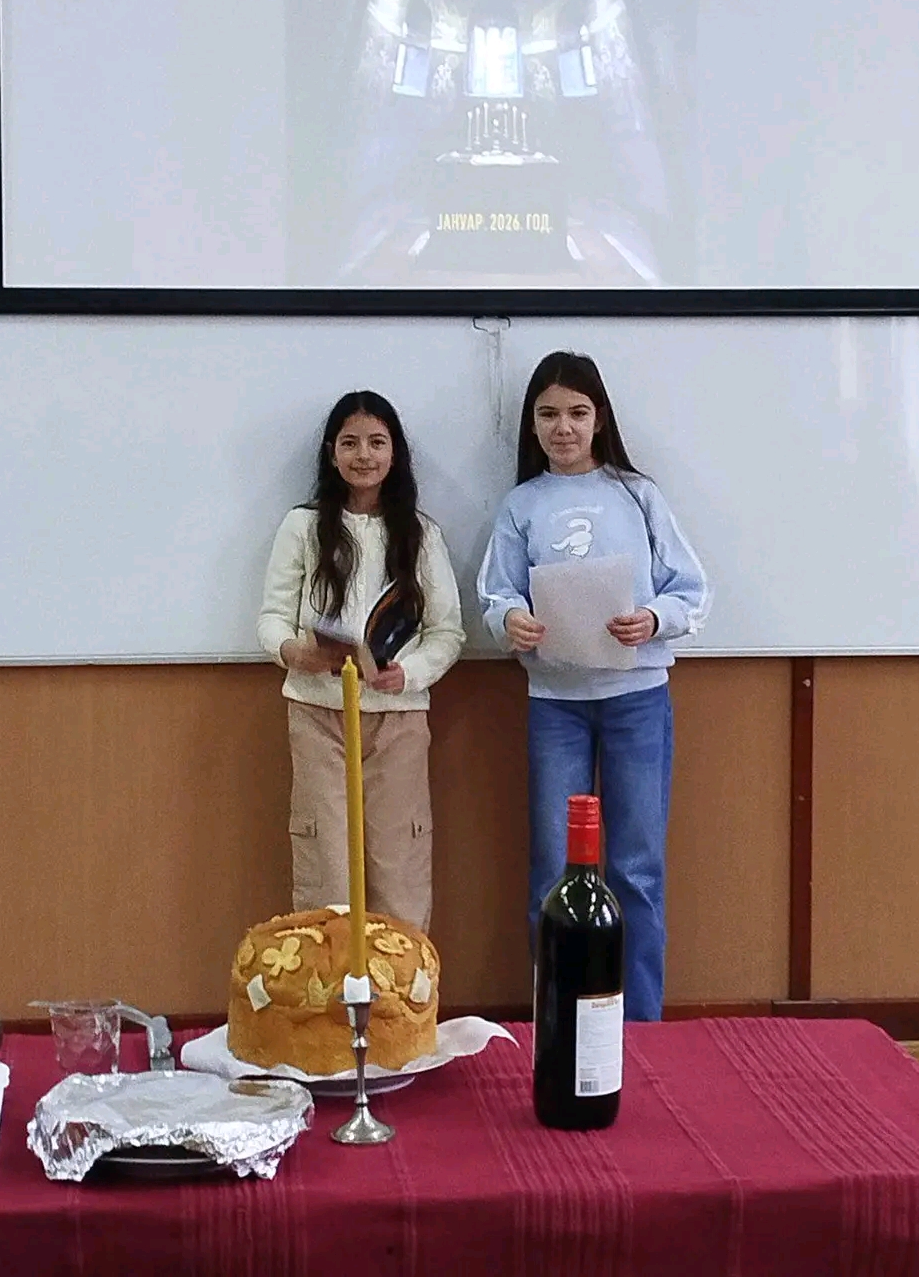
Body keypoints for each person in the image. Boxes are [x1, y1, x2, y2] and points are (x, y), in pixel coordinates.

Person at [477, 351, 711, 1020]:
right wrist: (510, 621)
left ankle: (639, 1022)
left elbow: (691, 589)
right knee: (553, 868)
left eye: (577, 413)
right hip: (556, 705)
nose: (563, 427)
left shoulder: (638, 494)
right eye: (548, 414)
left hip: (637, 698)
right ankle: (559, 1016)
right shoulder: (522, 504)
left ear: (599, 419)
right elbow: (496, 593)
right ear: (532, 425)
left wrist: (654, 619)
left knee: (636, 868)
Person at [258, 391, 465, 933]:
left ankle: (399, 985)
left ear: (395, 453)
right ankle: (329, 987)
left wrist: (408, 674)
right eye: (350, 443)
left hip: (397, 720)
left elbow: (447, 632)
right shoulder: (302, 527)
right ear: (332, 453)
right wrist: (296, 654)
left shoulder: (420, 533)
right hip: (317, 715)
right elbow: (272, 617)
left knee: (398, 869)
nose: (364, 455)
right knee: (327, 870)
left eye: (377, 442)